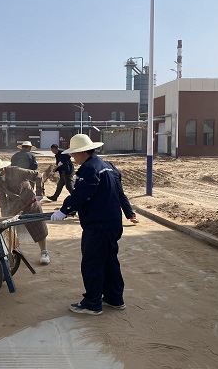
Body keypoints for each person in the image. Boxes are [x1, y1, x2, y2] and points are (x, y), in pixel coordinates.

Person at [50, 134, 128, 316]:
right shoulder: (108, 166)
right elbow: (117, 193)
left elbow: (83, 194)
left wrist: (65, 210)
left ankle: (92, 303)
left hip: (98, 225)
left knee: (92, 263)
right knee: (109, 261)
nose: (73, 158)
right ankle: (115, 298)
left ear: (83, 152)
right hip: (112, 222)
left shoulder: (89, 169)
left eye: (74, 154)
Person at [0, 156, 51, 264]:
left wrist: (39, 192)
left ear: (1, 168)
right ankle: (12, 253)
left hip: (30, 201)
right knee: (9, 228)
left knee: (38, 227)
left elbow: (37, 175)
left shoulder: (16, 171)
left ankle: (44, 252)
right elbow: (1, 196)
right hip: (14, 204)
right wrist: (4, 214)